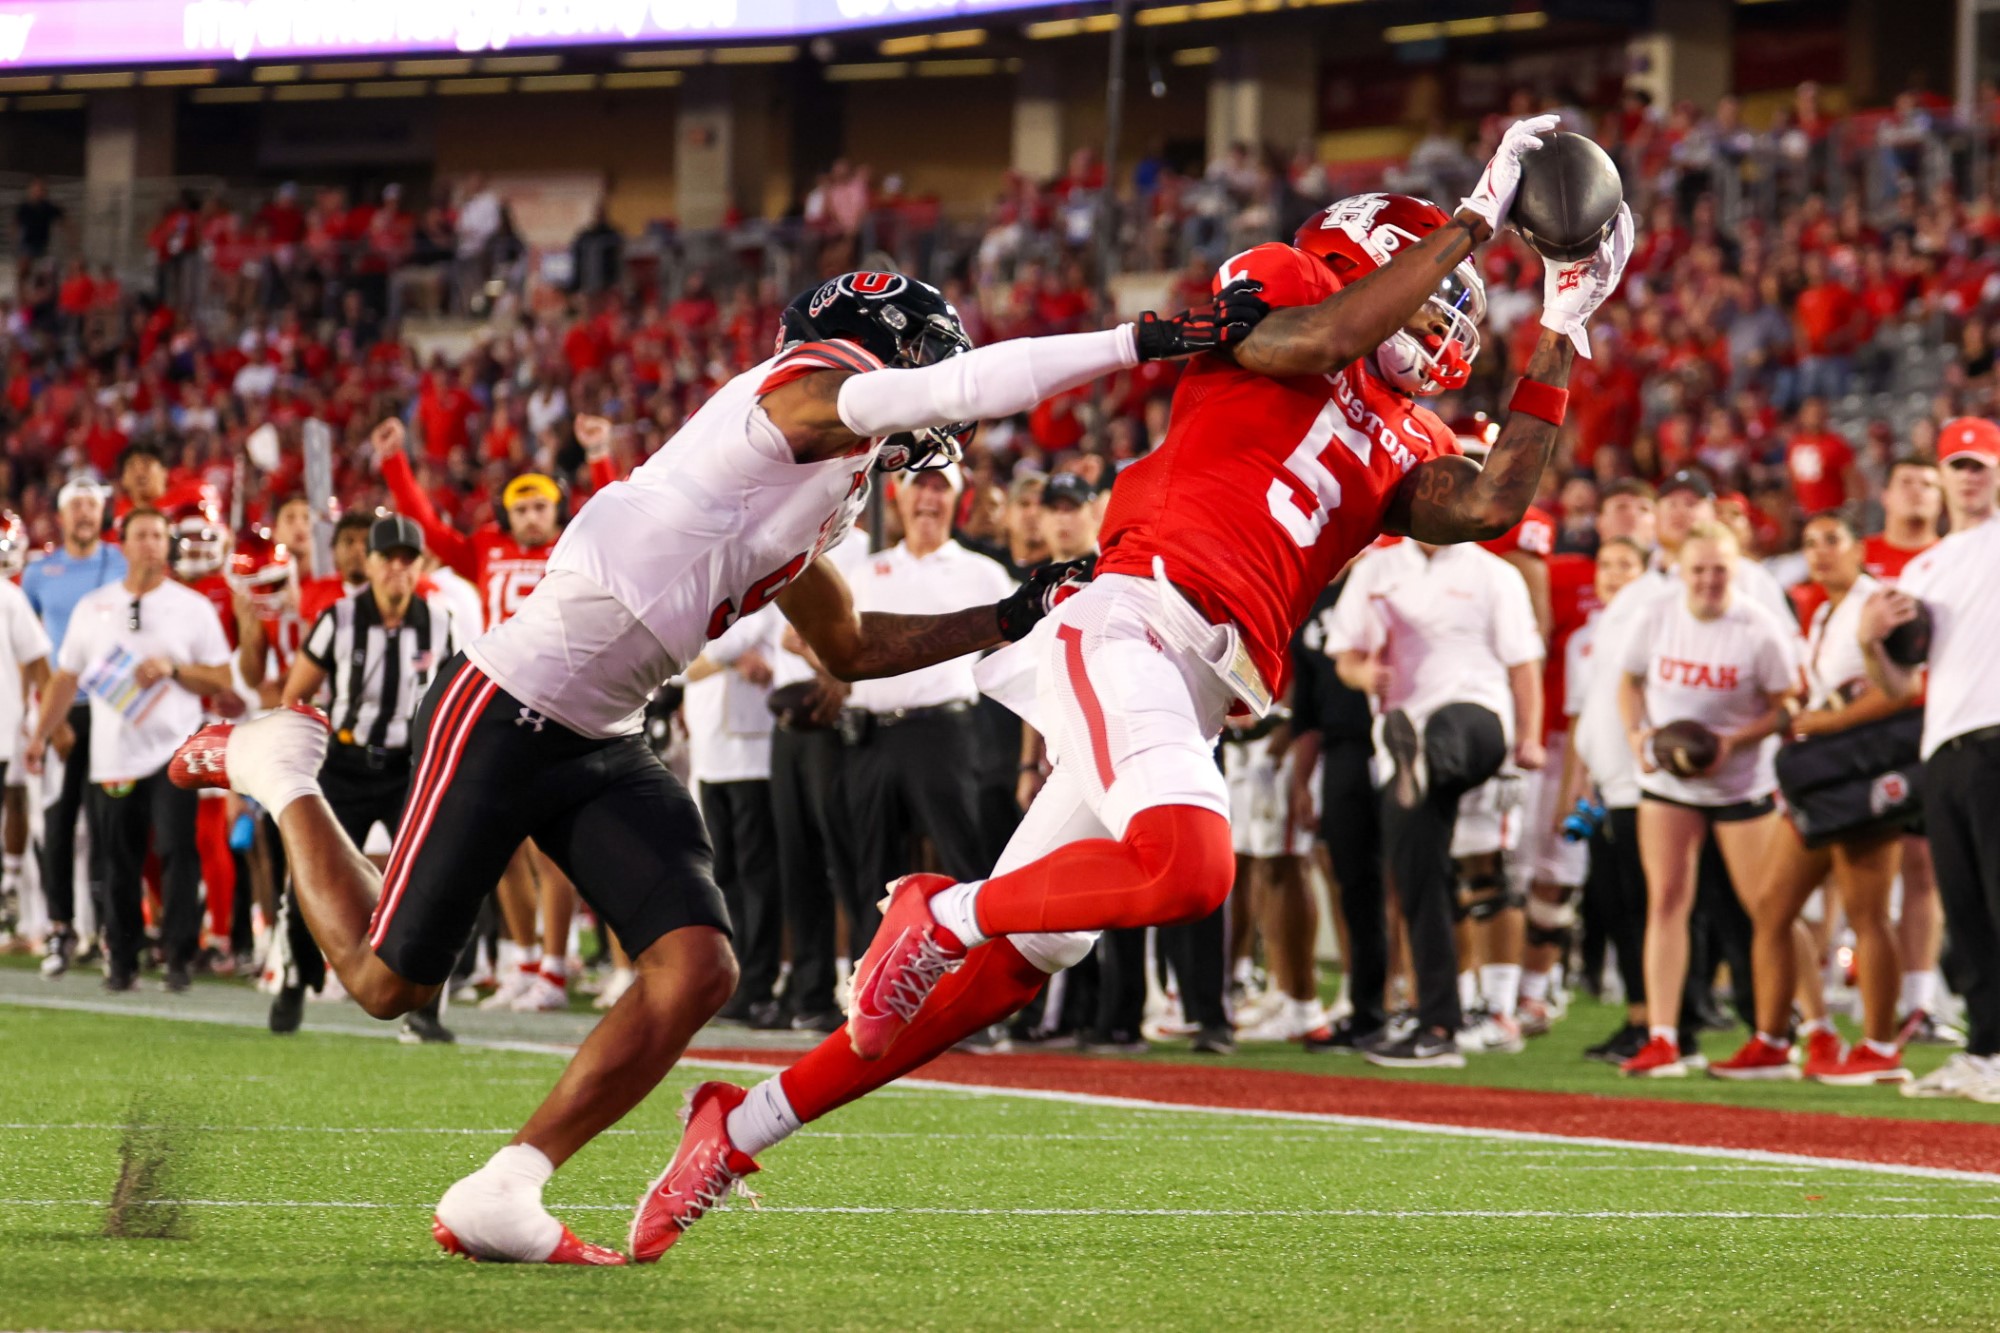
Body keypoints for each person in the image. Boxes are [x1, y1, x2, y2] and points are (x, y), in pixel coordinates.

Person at [645, 121, 1635, 1246]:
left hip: (1198, 679)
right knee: (1190, 865)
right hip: (1138, 614)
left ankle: (738, 1126)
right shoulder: (1285, 278)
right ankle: (943, 907)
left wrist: (1563, 323)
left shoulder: (1412, 432)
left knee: (1013, 969)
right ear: (1362, 251)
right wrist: (1471, 216)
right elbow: (1310, 344)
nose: (1448, 311)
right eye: (1432, 277)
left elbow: (1492, 503)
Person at [170, 268, 1241, 1263]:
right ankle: (278, 766)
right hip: (505, 703)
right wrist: (1133, 342)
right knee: (387, 982)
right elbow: (937, 392)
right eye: (921, 359)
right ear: (866, 349)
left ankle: (506, 1185)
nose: (937, 395)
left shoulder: (827, 484)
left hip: (606, 732)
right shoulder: (787, 399)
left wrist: (1011, 609)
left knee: (698, 968)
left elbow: (848, 648)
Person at [379, 416, 615, 1012]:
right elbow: (432, 531)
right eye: (521, 507)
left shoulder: (576, 547)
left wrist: (600, 456)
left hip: (560, 702)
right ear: (505, 515)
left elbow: (616, 520)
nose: (532, 517)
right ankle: (524, 963)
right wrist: (394, 465)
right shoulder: (485, 547)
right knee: (503, 849)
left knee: (550, 851)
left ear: (559, 511)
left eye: (541, 506)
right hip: (503, 700)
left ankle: (555, 970)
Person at [1326, 534, 1545, 1066]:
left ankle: (1425, 759)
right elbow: (1346, 657)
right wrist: (1365, 674)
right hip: (1401, 736)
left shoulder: (1495, 573)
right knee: (1419, 884)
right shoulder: (1375, 571)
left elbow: (1523, 664)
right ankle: (1438, 1026)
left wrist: (1530, 738)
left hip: (1478, 717)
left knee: (1450, 726)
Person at [1711, 513, 1910, 1084]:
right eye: (1810, 543)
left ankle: (1879, 1047)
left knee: (1868, 913)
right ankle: (1774, 1039)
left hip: (1862, 772)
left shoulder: (1881, 603)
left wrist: (1827, 722)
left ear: (1859, 548)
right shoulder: (1823, 611)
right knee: (1772, 906)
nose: (1820, 552)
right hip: (1820, 777)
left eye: (1832, 540)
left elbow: (1903, 689)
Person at [1616, 522, 1801, 1077]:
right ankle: (1663, 1038)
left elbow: (1788, 705)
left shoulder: (1759, 627)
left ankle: (1803, 1028)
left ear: (1736, 569)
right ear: (1680, 569)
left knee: (1770, 908)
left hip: (1740, 784)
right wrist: (1637, 735)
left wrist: (1732, 742)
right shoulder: (1656, 616)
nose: (1709, 579)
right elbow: (1629, 681)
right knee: (1666, 901)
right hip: (1670, 785)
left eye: (1719, 569)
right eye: (1698, 569)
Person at [267, 514, 461, 1041]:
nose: (398, 568)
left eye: (407, 559)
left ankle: (425, 1007)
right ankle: (296, 977)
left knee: (435, 883)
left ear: (420, 567)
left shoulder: (440, 623)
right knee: (307, 880)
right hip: (345, 766)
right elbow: (296, 694)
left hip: (409, 770)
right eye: (387, 558)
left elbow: (454, 698)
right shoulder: (339, 618)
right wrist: (299, 757)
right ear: (368, 564)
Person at [27, 509, 233, 992]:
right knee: (118, 857)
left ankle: (179, 955)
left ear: (169, 544)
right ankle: (122, 958)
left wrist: (174, 670)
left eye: (159, 535)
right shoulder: (94, 606)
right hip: (114, 754)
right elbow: (66, 677)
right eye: (141, 535)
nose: (151, 544)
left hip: (174, 750)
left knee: (177, 849)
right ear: (121, 544)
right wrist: (40, 734)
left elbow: (221, 678)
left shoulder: (192, 607)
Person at [1862, 417, 2000, 1102]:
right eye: (1959, 465)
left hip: (1997, 733)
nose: (1969, 477)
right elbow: (1898, 686)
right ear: (1942, 476)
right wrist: (1869, 640)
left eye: (1980, 465)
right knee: (1966, 910)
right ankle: (1985, 1052)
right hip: (1941, 745)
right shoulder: (1922, 569)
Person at [842, 464, 1016, 956]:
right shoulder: (866, 573)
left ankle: (978, 982)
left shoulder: (983, 573)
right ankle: (873, 983)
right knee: (873, 872)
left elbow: (1022, 647)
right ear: (898, 496)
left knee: (963, 860)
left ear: (958, 502)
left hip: (944, 733)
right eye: (920, 485)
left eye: (941, 487)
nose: (929, 497)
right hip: (871, 735)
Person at [21, 478, 127, 977]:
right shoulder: (39, 573)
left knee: (109, 822)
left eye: (92, 504)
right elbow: (29, 651)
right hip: (63, 709)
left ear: (102, 513)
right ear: (60, 516)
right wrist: (47, 717)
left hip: (113, 709)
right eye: (76, 505)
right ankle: (60, 927)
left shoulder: (122, 563)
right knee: (58, 822)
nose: (84, 513)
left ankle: (110, 930)